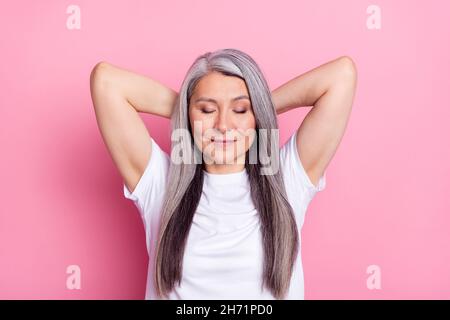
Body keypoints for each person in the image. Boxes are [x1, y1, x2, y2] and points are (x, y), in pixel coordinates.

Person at [89, 48, 357, 300]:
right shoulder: (160, 184)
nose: (224, 125)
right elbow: (106, 82)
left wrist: (260, 105)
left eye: (240, 110)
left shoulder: (287, 178)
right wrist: (186, 108)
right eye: (207, 110)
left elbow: (341, 76)